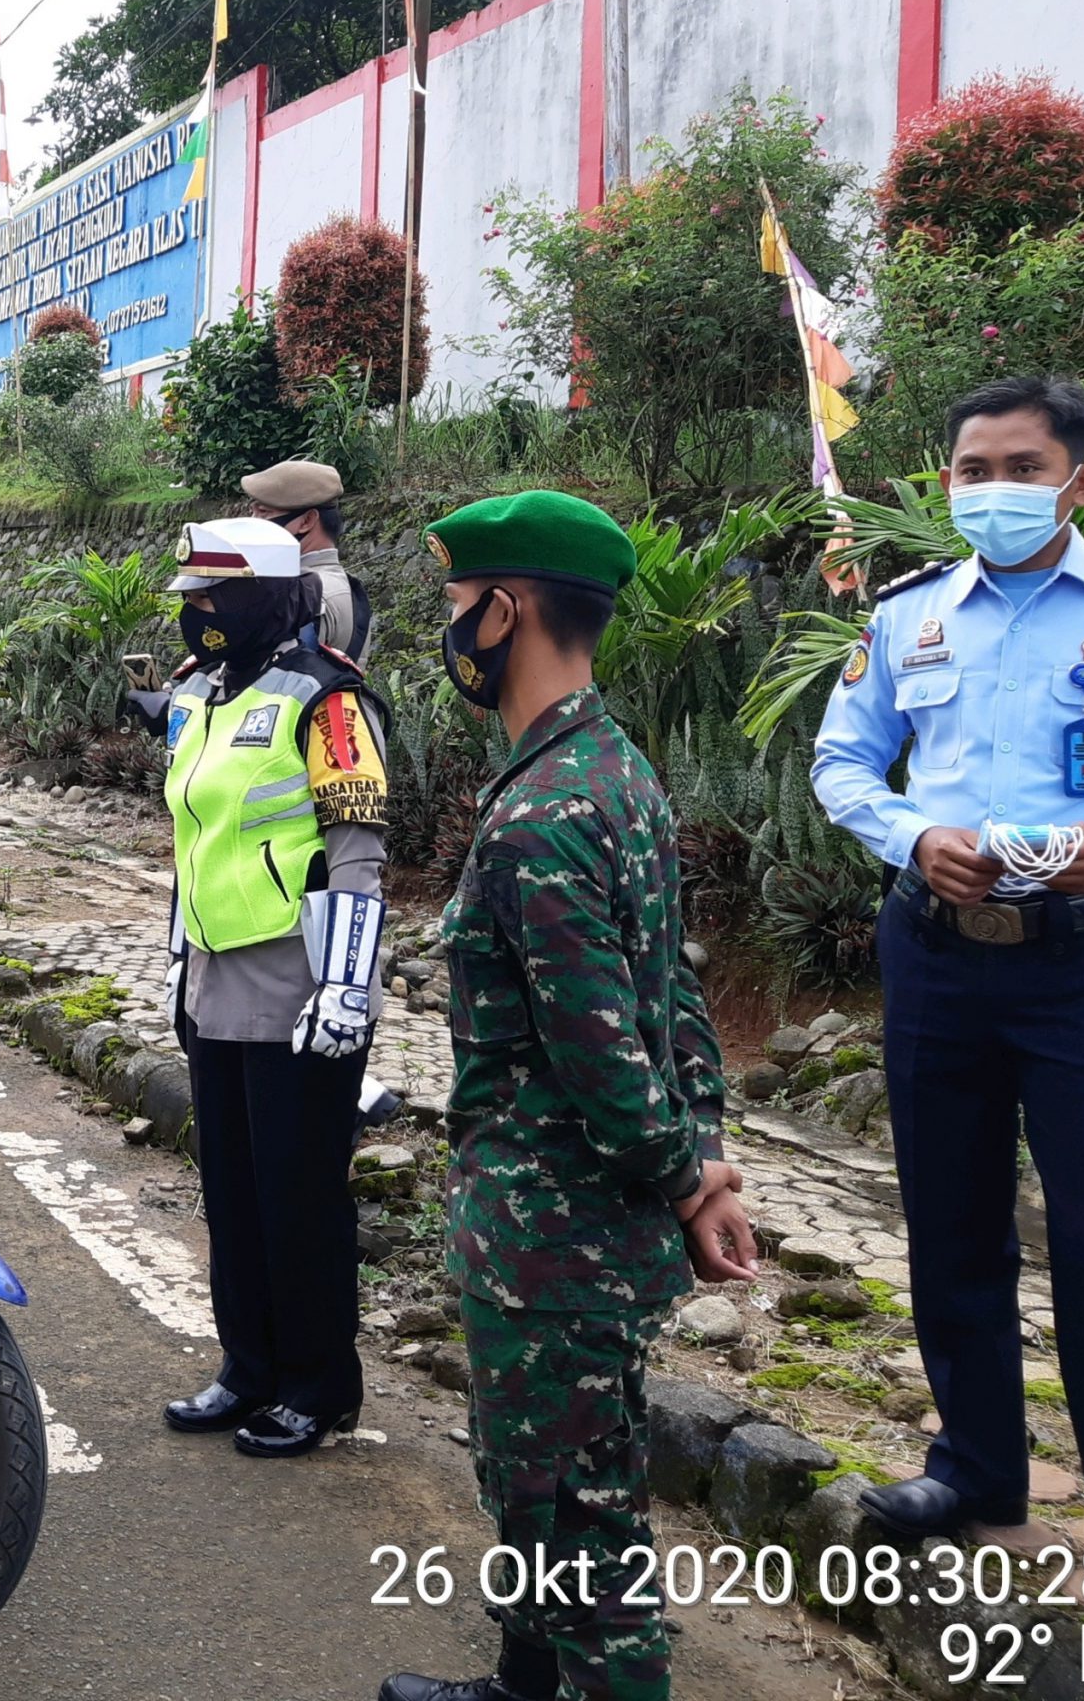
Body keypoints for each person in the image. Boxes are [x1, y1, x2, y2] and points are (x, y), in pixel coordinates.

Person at [380, 491, 752, 1701]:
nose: (448, 635)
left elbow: (602, 1047)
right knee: (537, 1486)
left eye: (455, 608)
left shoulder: (542, 813)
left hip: (552, 1233)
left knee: (576, 1524)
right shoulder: (615, 770)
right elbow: (674, 1004)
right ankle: (520, 1684)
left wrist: (686, 1170)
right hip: (588, 1222)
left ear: (509, 610)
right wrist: (698, 1164)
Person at [810, 375, 1084, 1620]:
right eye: (969, 471)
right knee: (950, 1226)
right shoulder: (905, 617)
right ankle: (978, 1472)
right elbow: (843, 760)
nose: (990, 491)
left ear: (1077, 481)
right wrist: (909, 835)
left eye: (1018, 467)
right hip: (937, 953)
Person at [153, 518, 396, 1460]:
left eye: (212, 598)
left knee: (300, 1197)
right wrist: (179, 958)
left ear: (264, 595)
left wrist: (346, 987)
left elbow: (358, 853)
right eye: (189, 602)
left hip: (299, 982)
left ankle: (317, 1383)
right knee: (234, 1193)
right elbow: (193, 841)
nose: (196, 616)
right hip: (218, 977)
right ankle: (246, 1366)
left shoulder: (328, 702)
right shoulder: (207, 697)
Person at [243, 457, 373, 663]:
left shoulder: (310, 595)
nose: (253, 523)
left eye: (264, 513)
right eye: (252, 511)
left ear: (307, 521)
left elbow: (274, 675)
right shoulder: (328, 584)